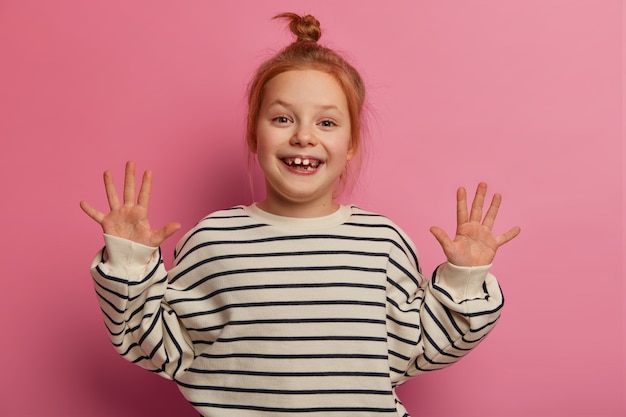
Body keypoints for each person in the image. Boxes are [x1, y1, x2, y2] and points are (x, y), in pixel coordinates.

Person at [80, 12, 520, 417]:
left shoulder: (382, 242)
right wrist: (129, 262)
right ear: (255, 132)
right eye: (282, 119)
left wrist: (465, 277)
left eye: (326, 123)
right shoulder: (213, 239)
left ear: (350, 145)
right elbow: (158, 347)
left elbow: (421, 346)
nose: (304, 136)